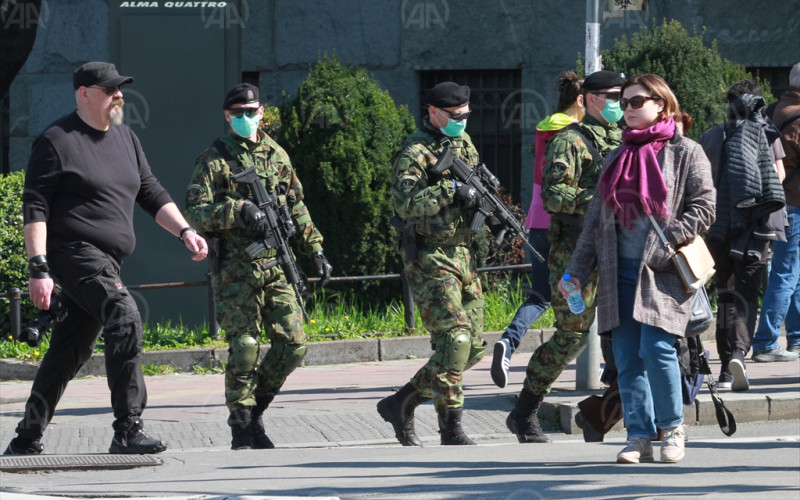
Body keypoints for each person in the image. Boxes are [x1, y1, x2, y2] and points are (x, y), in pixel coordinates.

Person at [4, 61, 209, 456]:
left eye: (120, 88)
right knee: (124, 315)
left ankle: (26, 437)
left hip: (107, 261)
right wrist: (39, 268)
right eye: (110, 89)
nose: (119, 95)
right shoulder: (57, 140)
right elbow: (36, 208)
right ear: (84, 94)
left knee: (69, 349)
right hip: (73, 253)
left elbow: (150, 192)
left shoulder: (125, 138)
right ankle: (127, 429)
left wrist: (185, 231)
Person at [563, 73, 715, 463]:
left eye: (635, 101)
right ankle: (639, 436)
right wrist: (576, 273)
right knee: (627, 359)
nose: (626, 109)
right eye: (624, 102)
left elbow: (705, 206)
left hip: (662, 272)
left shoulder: (686, 152)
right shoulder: (617, 154)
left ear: (660, 104)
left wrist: (671, 240)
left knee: (657, 349)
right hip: (620, 272)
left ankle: (672, 430)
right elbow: (595, 223)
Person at [184, 83, 332, 450]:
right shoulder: (213, 159)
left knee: (293, 345)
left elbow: (296, 205)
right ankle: (241, 426)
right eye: (238, 113)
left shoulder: (277, 155)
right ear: (226, 115)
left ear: (262, 112)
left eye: (251, 112)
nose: (246, 119)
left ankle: (254, 408)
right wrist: (238, 211)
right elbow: (195, 213)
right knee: (246, 345)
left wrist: (315, 249)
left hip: (278, 264)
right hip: (237, 269)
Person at [505, 70, 625, 444]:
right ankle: (525, 411)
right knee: (572, 336)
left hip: (620, 251)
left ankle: (617, 413)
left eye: (623, 95)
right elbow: (554, 196)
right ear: (589, 99)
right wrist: (603, 203)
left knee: (626, 333)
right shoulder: (569, 141)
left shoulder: (625, 139)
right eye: (612, 95)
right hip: (576, 253)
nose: (619, 103)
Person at [377, 81, 487, 446]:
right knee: (454, 340)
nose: (461, 122)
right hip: (431, 256)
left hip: (464, 255)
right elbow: (405, 204)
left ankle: (402, 401)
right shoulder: (415, 151)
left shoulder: (462, 144)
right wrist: (449, 190)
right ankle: (451, 426)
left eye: (466, 116)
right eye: (455, 116)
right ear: (434, 112)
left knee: (471, 347)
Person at [491, 70, 585, 388]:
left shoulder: (544, 129)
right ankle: (604, 365)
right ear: (581, 101)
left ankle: (508, 343)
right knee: (587, 295)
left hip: (537, 223)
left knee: (541, 295)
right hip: (566, 226)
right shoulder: (576, 134)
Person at [700, 80, 787, 390]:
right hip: (756, 227)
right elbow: (779, 176)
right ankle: (738, 352)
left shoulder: (710, 136)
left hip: (718, 228)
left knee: (725, 295)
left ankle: (724, 367)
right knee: (746, 295)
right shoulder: (764, 133)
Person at [752, 62, 800, 362]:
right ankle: (766, 341)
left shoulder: (771, 111)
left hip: (776, 202)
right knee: (785, 273)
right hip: (795, 203)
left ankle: (796, 338)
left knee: (792, 274)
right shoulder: (796, 117)